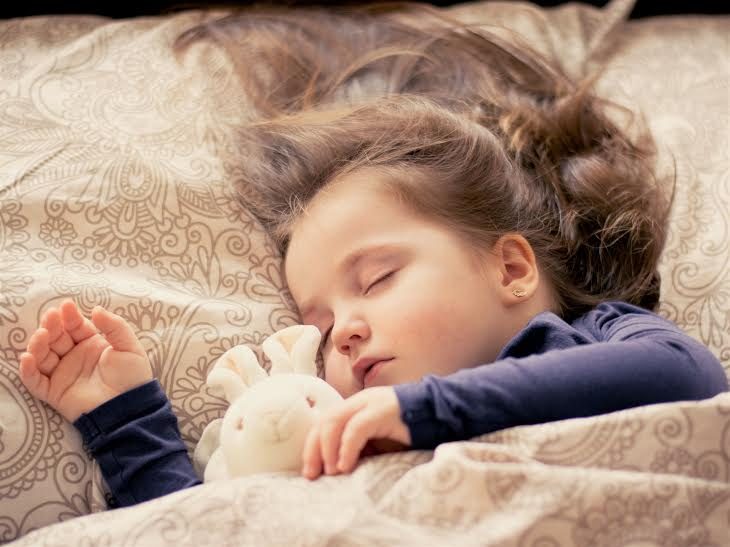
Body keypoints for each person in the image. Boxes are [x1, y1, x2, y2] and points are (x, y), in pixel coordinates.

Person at [17, 3, 729, 509]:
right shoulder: (329, 430)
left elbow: (687, 372)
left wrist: (422, 410)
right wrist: (125, 417)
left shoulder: (593, 339)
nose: (344, 332)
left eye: (379, 277)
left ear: (511, 268)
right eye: (320, 328)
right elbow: (214, 523)